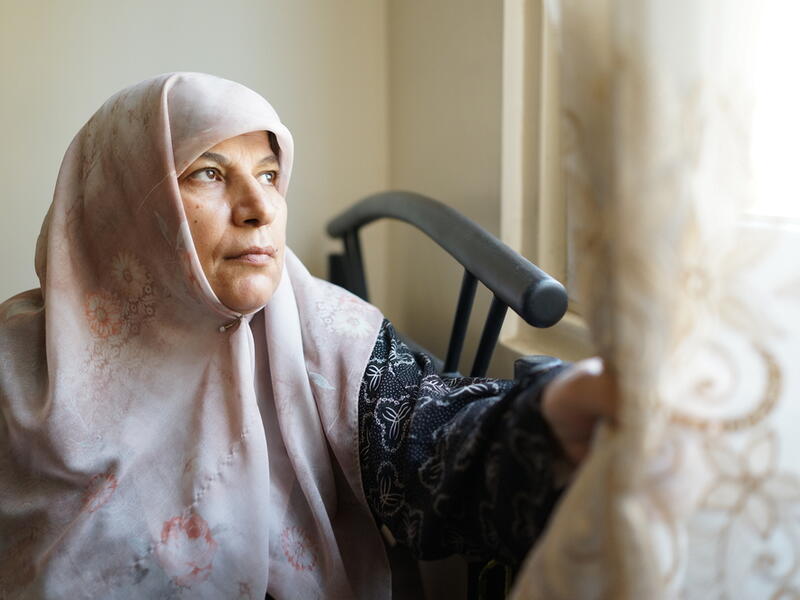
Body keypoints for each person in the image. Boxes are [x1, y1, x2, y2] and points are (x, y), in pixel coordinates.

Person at [0, 73, 615, 599]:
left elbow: (425, 435)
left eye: (269, 175)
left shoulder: (321, 331)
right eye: (209, 173)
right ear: (125, 206)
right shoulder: (15, 365)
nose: (259, 208)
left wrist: (546, 417)